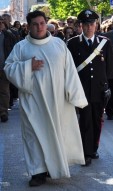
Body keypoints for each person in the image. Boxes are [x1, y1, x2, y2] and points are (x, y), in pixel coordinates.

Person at [4, 11, 88, 186]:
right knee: (34, 136)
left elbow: (70, 71)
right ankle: (37, 172)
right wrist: (27, 66)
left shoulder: (58, 44)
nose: (39, 27)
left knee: (57, 133)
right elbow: (9, 68)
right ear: (29, 26)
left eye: (42, 23)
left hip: (58, 101)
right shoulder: (21, 47)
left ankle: (53, 167)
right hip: (32, 101)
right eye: (35, 24)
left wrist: (75, 96)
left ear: (46, 23)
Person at [67, 9, 113, 166]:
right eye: (85, 24)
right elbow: (69, 68)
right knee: (85, 120)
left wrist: (108, 87)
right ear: (81, 25)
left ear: (96, 25)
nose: (88, 27)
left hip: (100, 89)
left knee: (97, 119)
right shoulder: (72, 43)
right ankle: (85, 152)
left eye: (91, 24)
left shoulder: (104, 43)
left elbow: (110, 68)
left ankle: (93, 148)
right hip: (81, 89)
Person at [0, 16, 17, 123]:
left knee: (4, 91)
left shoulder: (8, 35)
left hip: (4, 67)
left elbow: (13, 49)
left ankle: (3, 112)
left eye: (1, 22)